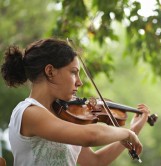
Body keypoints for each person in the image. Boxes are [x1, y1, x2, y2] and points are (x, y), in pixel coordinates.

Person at [0, 38, 150, 166]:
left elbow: (95, 161)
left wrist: (133, 130)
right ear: (50, 71)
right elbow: (91, 136)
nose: (79, 82)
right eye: (73, 72)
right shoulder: (29, 112)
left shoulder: (63, 116)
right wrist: (126, 134)